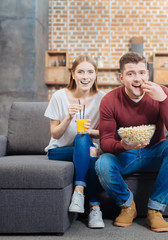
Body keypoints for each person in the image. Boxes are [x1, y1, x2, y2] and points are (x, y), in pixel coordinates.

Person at [95, 52, 168, 232]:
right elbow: (105, 142)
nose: (138, 78)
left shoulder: (161, 93)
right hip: (125, 155)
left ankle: (156, 209)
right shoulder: (109, 100)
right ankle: (128, 205)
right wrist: (123, 145)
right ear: (121, 77)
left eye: (142, 73)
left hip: (154, 153)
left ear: (148, 74)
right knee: (101, 164)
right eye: (131, 74)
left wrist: (163, 100)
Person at [44, 55, 105, 229]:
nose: (85, 76)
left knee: (84, 140)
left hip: (85, 148)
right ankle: (94, 206)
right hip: (59, 150)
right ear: (72, 74)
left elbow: (104, 133)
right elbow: (55, 134)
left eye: (90, 72)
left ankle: (84, 198)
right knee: (89, 151)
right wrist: (69, 117)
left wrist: (90, 131)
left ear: (95, 75)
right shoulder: (59, 96)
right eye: (80, 72)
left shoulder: (102, 99)